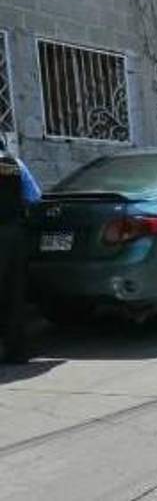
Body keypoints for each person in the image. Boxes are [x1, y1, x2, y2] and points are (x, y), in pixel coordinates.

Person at [0, 137, 41, 364]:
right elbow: (34, 196)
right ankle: (16, 351)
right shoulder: (15, 164)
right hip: (14, 234)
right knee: (14, 292)